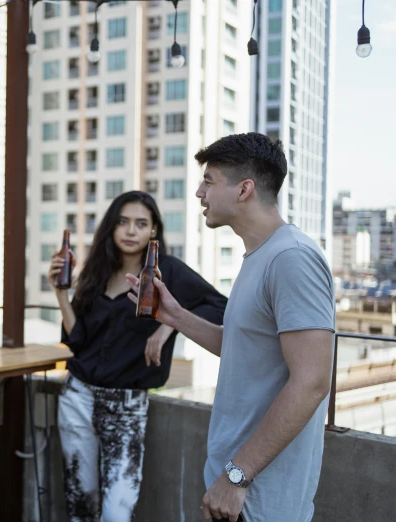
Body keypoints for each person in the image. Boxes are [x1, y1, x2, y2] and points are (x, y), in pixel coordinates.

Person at [126, 133, 335, 522]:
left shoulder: (292, 258)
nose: (198, 192)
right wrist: (174, 316)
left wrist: (238, 476)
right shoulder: (259, 256)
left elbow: (311, 382)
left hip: (259, 498)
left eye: (209, 180)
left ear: (244, 189)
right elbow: (241, 347)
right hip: (232, 487)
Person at [49, 191, 227, 521]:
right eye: (123, 222)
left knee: (117, 509)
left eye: (141, 223)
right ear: (111, 228)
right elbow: (77, 340)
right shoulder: (97, 272)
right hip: (77, 396)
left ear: (154, 231)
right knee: (79, 500)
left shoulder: (166, 271)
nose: (131, 231)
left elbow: (218, 306)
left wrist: (168, 327)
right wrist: (61, 293)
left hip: (127, 404)